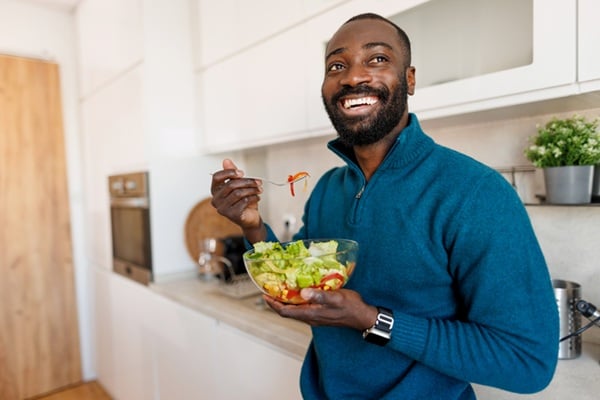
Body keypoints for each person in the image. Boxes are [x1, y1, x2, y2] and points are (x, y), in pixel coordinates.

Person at [210, 13, 558, 399]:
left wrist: (371, 320)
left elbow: (527, 362)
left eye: (377, 59)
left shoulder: (476, 193)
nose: (353, 77)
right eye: (336, 65)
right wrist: (252, 224)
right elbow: (296, 278)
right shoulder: (327, 188)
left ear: (409, 78)